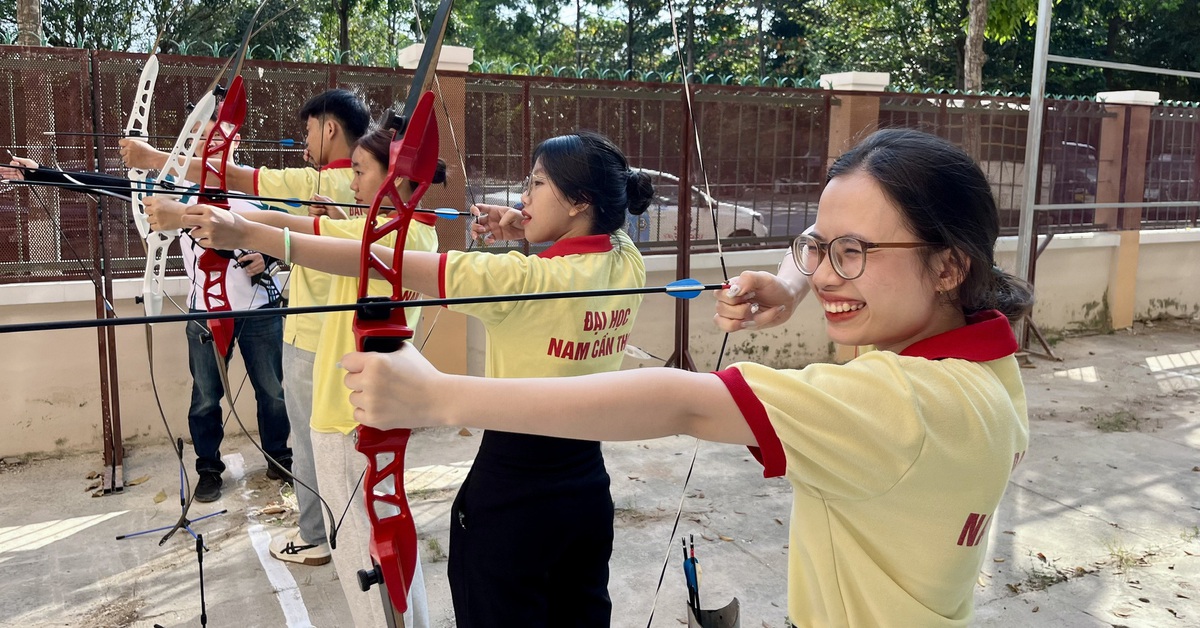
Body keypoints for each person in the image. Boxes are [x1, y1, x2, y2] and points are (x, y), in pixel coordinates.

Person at [337, 128, 1035, 627]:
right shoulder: (984, 372)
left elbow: (683, 402)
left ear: (950, 266)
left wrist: (432, 396)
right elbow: (840, 262)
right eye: (818, 247)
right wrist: (793, 286)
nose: (825, 272)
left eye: (852, 252)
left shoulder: (905, 403)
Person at [181, 130, 655, 628]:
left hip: (514, 494)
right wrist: (523, 227)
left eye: (536, 184)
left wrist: (249, 234)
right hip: (586, 489)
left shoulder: (520, 280)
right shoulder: (628, 262)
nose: (523, 198)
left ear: (580, 200)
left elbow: (380, 260)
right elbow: (601, 233)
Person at [151, 125, 439, 628]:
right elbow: (311, 229)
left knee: (364, 552)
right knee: (389, 541)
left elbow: (287, 231)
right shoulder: (407, 231)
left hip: (348, 416)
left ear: (395, 179)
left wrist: (203, 218)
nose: (350, 182)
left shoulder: (380, 238)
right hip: (365, 410)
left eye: (359, 171)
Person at [128, 88, 369, 565]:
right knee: (213, 399)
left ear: (330, 129)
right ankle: (216, 471)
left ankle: (317, 533)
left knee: (306, 432)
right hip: (262, 319)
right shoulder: (358, 195)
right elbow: (306, 234)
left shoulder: (322, 183)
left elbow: (253, 206)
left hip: (298, 327)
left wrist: (153, 159)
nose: (304, 140)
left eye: (308, 129)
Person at [4, 120, 292, 504]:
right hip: (206, 313)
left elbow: (294, 234)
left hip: (260, 311)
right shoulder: (178, 191)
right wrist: (40, 173)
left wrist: (267, 257)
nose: (210, 143)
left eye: (219, 136)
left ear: (237, 139)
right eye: (202, 137)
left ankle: (280, 459)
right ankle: (208, 469)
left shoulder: (258, 188)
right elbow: (114, 185)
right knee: (206, 397)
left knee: (272, 392)